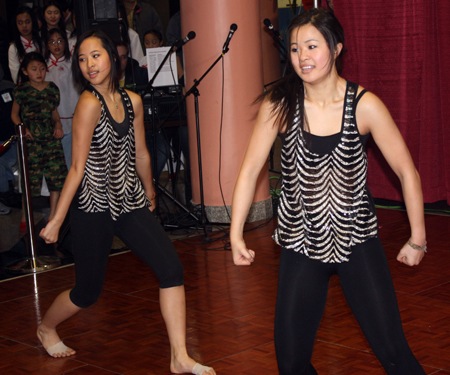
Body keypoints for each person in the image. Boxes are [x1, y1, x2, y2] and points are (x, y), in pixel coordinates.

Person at [230, 8, 427, 375]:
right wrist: (236, 232)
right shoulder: (280, 105)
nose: (302, 57)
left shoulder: (363, 104)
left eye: (311, 46)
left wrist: (417, 238)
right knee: (291, 362)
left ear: (336, 48)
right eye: (294, 49)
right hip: (302, 245)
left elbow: (406, 171)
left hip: (357, 242)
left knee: (396, 355)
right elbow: (250, 170)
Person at [37, 29, 215, 375]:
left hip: (130, 200)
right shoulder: (89, 104)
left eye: (96, 55)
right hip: (94, 206)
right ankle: (45, 328)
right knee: (87, 292)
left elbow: (142, 153)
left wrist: (149, 190)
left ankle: (179, 356)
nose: (90, 64)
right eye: (83, 58)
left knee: (171, 269)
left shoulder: (132, 100)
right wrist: (58, 219)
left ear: (113, 58)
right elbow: (76, 167)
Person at [11, 52, 67, 231]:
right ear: (26, 71)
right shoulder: (21, 91)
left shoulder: (52, 89)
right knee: (29, 178)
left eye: (42, 69)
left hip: (50, 138)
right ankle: (25, 215)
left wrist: (58, 125)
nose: (39, 72)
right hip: (31, 139)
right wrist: (23, 128)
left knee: (55, 176)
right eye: (34, 69)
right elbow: (14, 114)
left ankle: (53, 215)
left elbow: (54, 113)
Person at [45, 28, 80, 168]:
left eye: (60, 41)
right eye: (52, 42)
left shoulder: (73, 63)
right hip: (54, 116)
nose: (56, 45)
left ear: (66, 43)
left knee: (72, 154)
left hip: (72, 113)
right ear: (47, 45)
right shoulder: (44, 66)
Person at [8, 6, 43, 83]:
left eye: (27, 22)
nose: (24, 26)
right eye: (20, 23)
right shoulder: (13, 48)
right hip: (25, 88)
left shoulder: (41, 42)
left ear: (33, 22)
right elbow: (15, 75)